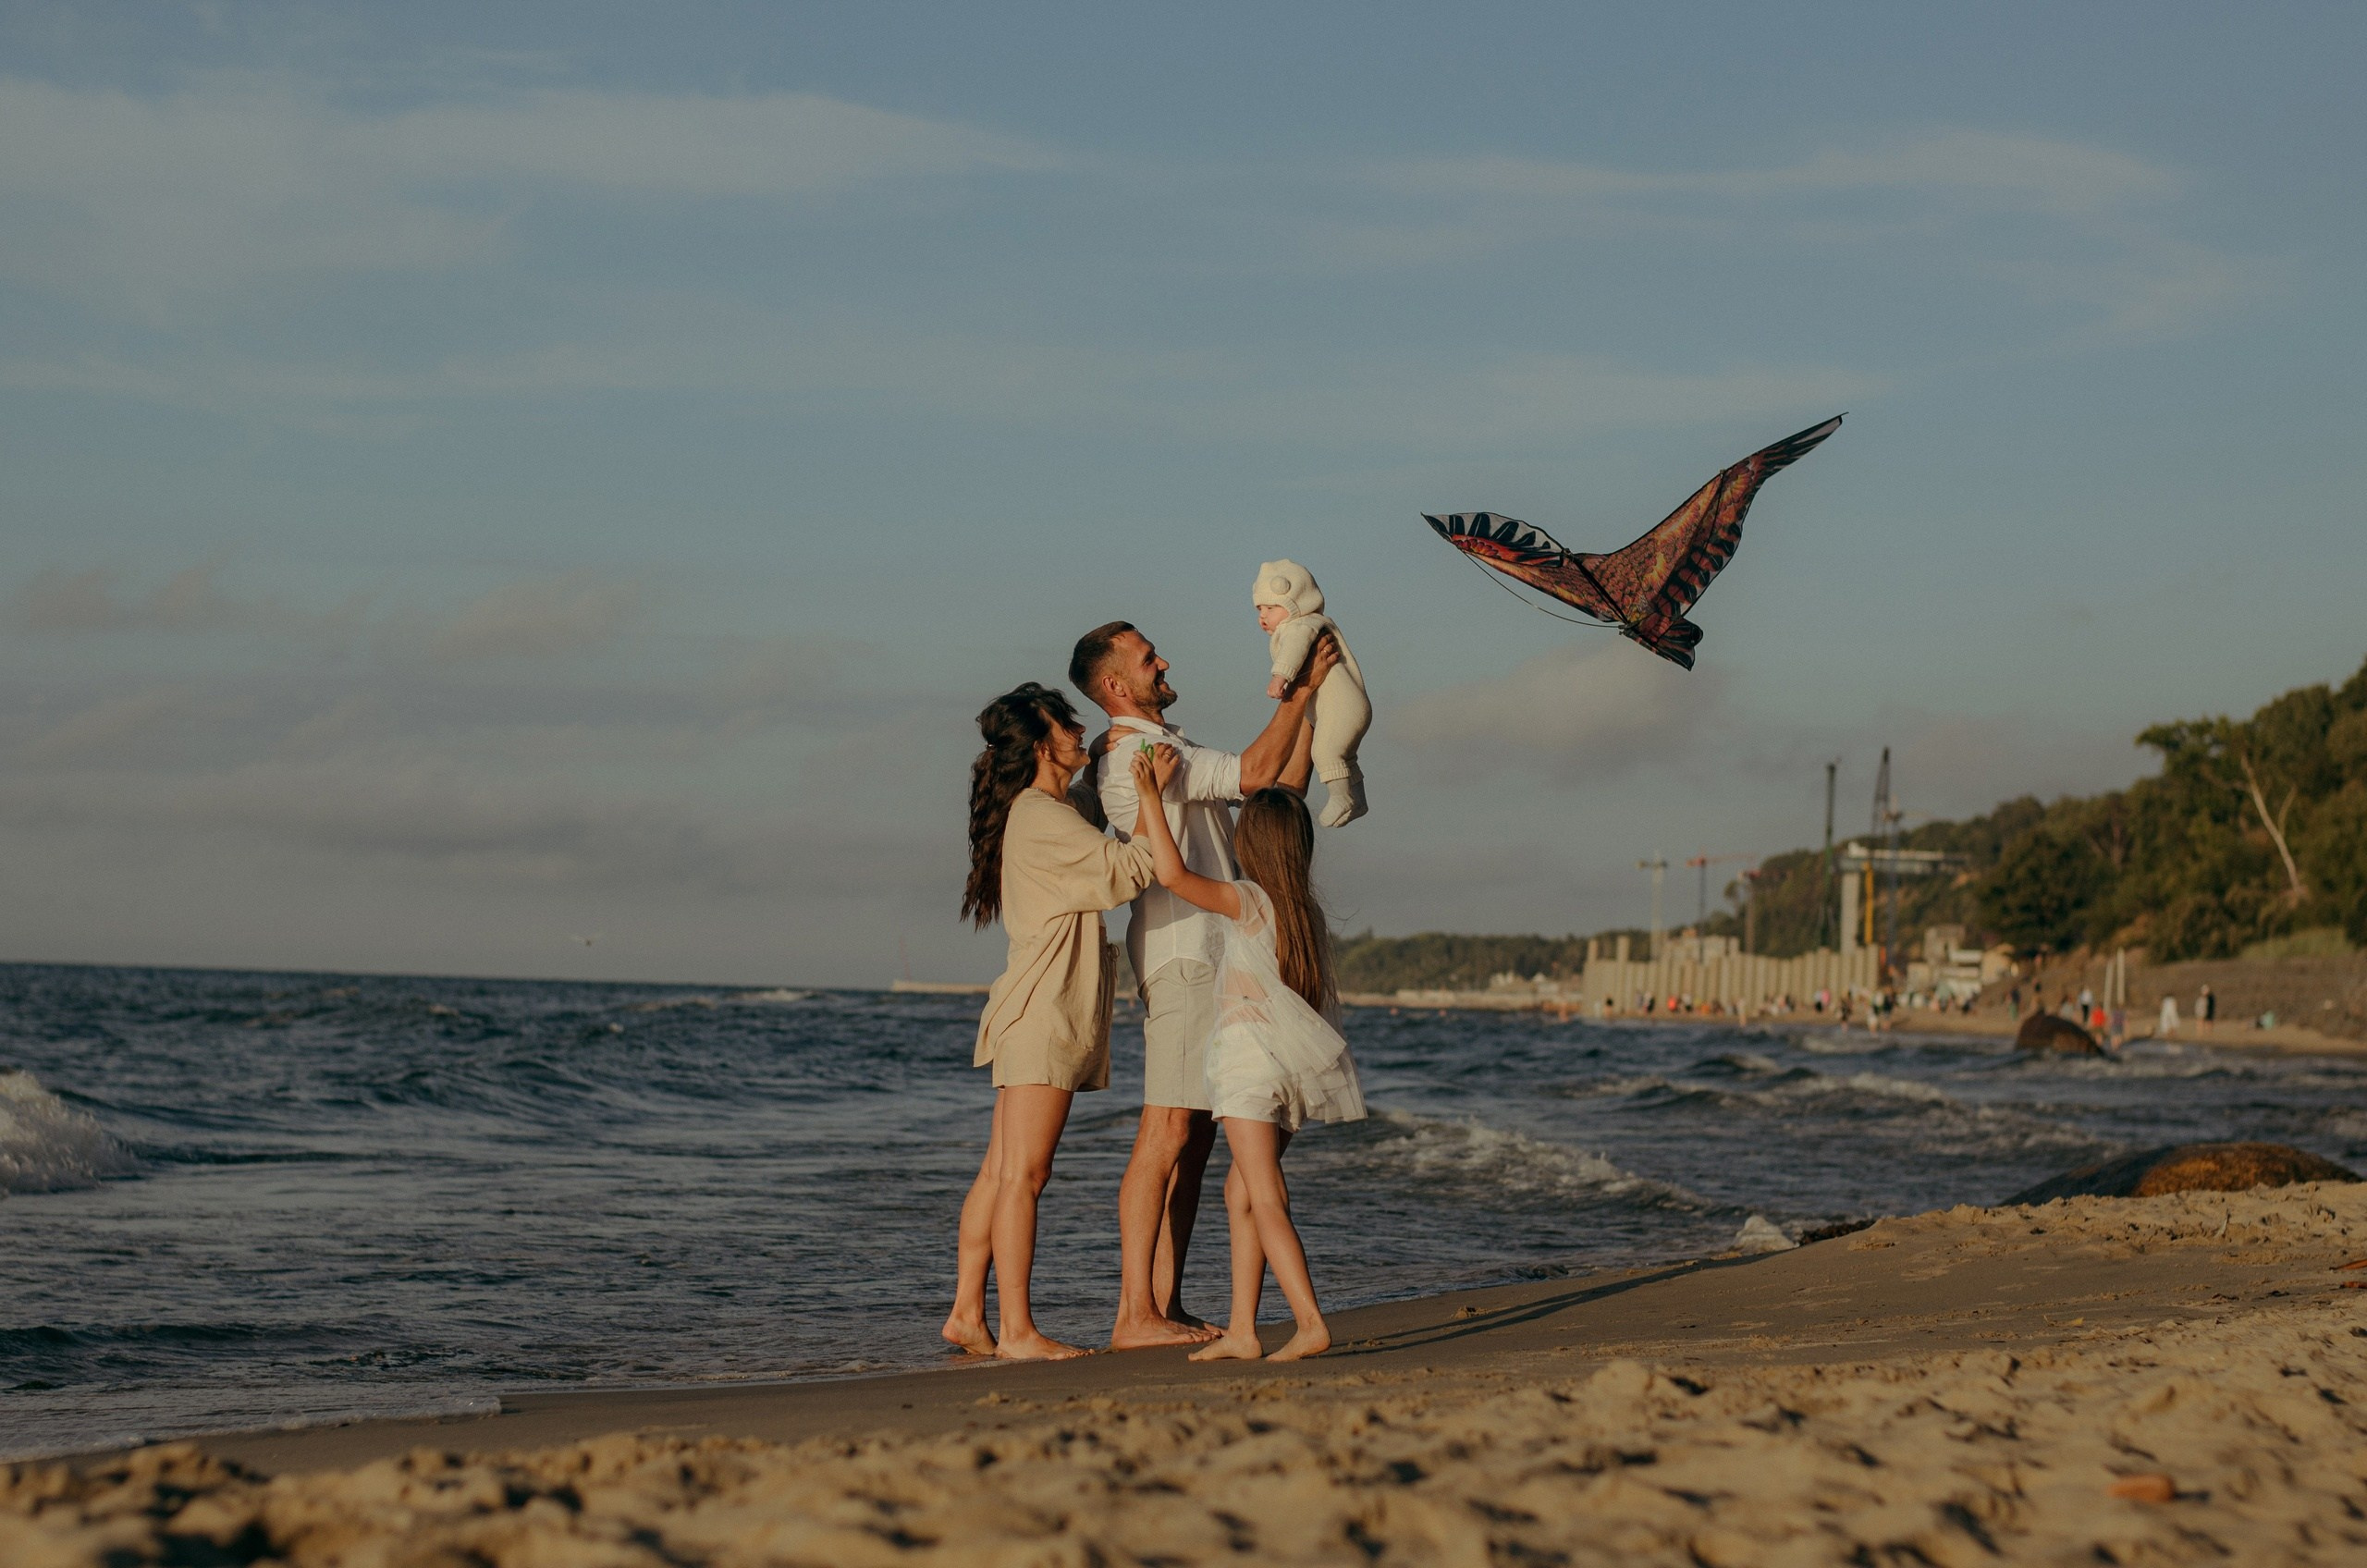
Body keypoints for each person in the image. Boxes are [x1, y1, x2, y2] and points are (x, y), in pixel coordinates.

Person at [1071, 619, 1335, 1350]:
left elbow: (1275, 788)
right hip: (1184, 954)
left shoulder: (1167, 748)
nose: (1163, 662)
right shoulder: (1139, 755)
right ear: (1117, 685)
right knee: (1166, 1129)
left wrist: (1310, 707)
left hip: (1223, 960)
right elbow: (1252, 774)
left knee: (1192, 1142)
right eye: (1147, 658)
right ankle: (1134, 1314)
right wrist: (1300, 691)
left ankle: (1165, 1301)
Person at [944, 683, 1166, 1362]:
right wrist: (1152, 796)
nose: (1078, 730)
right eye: (1067, 725)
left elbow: (1085, 822)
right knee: (1024, 1177)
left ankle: (967, 1315)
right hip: (1043, 1016)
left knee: (1000, 1172)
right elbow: (1131, 869)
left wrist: (1098, 766)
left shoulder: (1043, 810)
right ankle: (1017, 1331)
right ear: (1043, 746)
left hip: (1029, 1011)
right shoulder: (1041, 816)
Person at [1125, 748, 1365, 1362]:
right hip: (1291, 1069)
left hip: (1249, 1066)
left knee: (1263, 1195)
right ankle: (1242, 1330)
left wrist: (1151, 795)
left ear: (1248, 843)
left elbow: (1173, 876)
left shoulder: (1251, 899)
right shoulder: (1305, 912)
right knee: (1240, 1192)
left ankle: (1309, 1322)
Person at [1253, 559, 1371, 827]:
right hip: (1346, 708)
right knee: (1344, 756)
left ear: (1297, 603)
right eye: (1259, 609)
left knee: (1325, 751)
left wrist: (1280, 676)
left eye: (1271, 608)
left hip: (1341, 708)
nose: (1263, 616)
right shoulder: (1308, 624)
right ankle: (1358, 799)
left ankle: (1341, 797)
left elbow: (1294, 649)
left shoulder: (1301, 626)